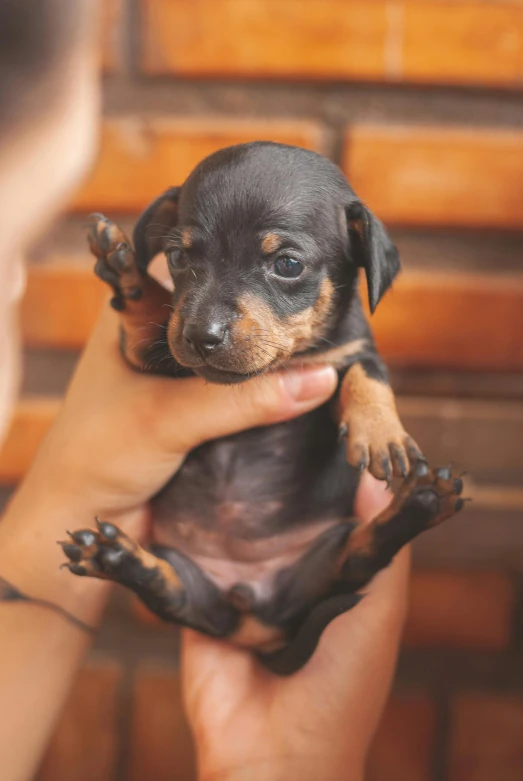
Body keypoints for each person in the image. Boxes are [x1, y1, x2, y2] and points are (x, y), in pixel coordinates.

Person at [0, 2, 409, 779]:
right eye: (187, 264)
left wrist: (284, 760)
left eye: (282, 265)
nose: (210, 323)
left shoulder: (349, 343)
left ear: (362, 263)